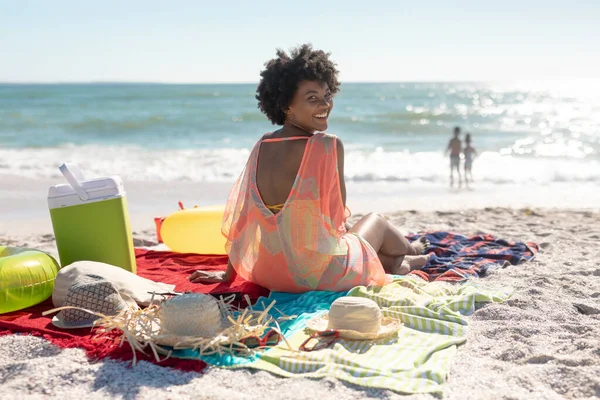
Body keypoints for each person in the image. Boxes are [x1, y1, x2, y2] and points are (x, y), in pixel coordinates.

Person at [189, 44, 430, 293]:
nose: (325, 105)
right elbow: (336, 222)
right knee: (375, 220)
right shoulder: (328, 145)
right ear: (286, 106)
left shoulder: (262, 145)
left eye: (327, 95)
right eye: (312, 98)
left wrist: (228, 275)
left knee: (358, 242)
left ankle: (399, 263)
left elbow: (243, 220)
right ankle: (413, 249)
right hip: (317, 278)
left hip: (269, 273)